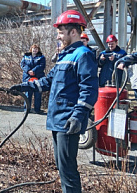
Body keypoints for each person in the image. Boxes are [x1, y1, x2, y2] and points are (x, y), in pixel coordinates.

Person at [10, 10, 98, 192]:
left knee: (68, 170)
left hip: (68, 120)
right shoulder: (64, 55)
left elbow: (89, 90)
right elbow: (48, 81)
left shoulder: (83, 55)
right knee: (61, 166)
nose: (58, 36)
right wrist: (24, 86)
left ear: (73, 32)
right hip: (57, 120)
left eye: (60, 32)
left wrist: (78, 116)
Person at [20, 44, 46, 114]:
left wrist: (34, 71)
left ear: (38, 50)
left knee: (37, 93)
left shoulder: (41, 57)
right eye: (34, 49)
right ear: (31, 49)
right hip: (27, 77)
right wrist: (28, 71)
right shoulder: (26, 56)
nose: (35, 50)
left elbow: (42, 66)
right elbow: (22, 64)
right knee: (28, 93)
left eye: (36, 49)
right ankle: (27, 109)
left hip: (38, 77)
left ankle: (37, 109)